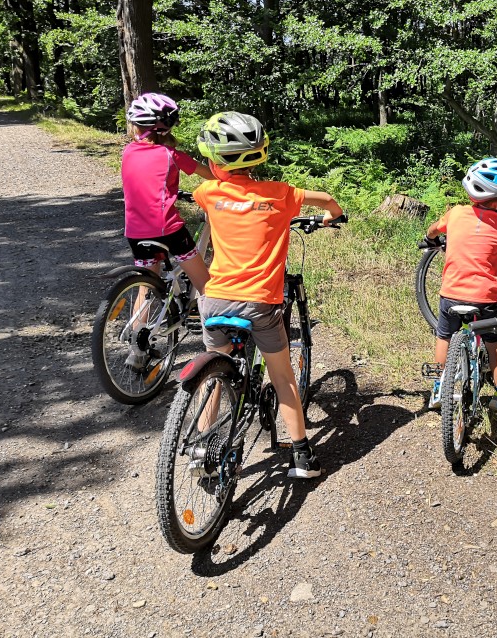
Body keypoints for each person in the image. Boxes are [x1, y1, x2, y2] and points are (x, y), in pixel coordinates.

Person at [193, 111, 344, 479]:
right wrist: (333, 215)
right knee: (283, 375)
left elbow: (210, 193)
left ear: (215, 163)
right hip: (259, 302)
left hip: (214, 299)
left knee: (214, 368)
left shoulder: (208, 193)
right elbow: (327, 199)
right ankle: (302, 456)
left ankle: (200, 446)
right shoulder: (281, 194)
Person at [423, 158, 497, 411]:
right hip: (485, 299)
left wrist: (431, 238)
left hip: (451, 295)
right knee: (494, 344)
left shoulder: (455, 213)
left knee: (444, 336)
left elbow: (433, 230)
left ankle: (438, 388)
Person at [121, 92, 214, 369]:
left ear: (136, 126)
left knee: (146, 286)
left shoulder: (127, 152)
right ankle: (219, 346)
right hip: (168, 229)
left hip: (135, 232)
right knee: (205, 286)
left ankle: (136, 351)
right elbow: (211, 176)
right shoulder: (172, 155)